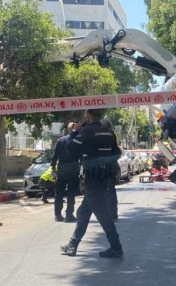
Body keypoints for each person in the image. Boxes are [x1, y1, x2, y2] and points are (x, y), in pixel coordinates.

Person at [60, 108, 123, 258]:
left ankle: (116, 247)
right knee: (83, 212)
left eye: (85, 116)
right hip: (104, 177)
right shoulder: (109, 132)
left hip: (92, 177)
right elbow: (117, 154)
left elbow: (69, 148)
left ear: (88, 116)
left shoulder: (86, 131)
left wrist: (74, 131)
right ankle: (72, 245)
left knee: (103, 215)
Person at [51, 122, 80, 222]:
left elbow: (55, 157)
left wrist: (53, 170)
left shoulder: (60, 140)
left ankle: (58, 215)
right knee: (71, 193)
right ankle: (69, 215)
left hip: (62, 170)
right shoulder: (77, 140)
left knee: (59, 193)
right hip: (73, 170)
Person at [100, 118, 120, 221]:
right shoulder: (111, 135)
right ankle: (112, 213)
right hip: (111, 166)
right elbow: (117, 152)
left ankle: (107, 213)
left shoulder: (100, 135)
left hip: (103, 167)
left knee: (103, 190)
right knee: (110, 190)